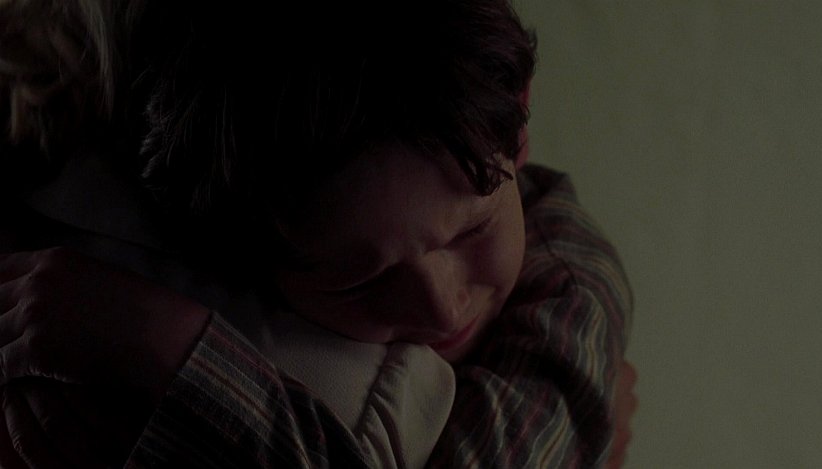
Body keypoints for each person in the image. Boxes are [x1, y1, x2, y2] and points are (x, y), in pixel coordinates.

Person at [0, 0, 636, 467]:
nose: (444, 307)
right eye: (364, 281)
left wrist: (170, 352)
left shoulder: (570, 283)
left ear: (520, 122)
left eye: (472, 231)